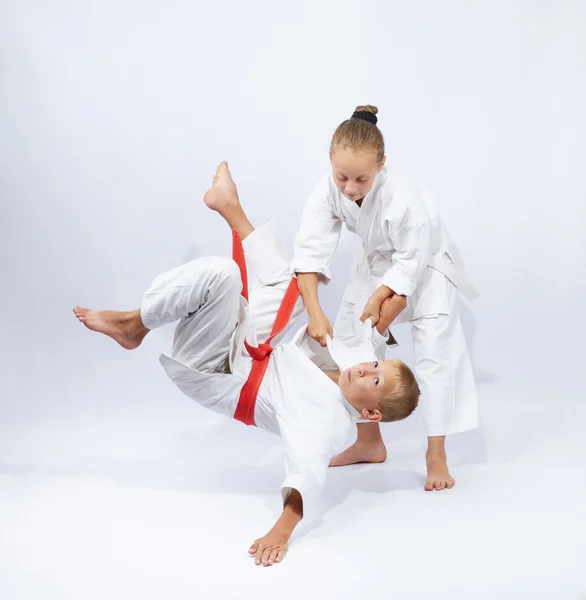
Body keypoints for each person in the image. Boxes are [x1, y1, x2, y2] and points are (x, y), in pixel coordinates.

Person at [73, 162, 420, 567]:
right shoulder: (350, 365)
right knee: (292, 287)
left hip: (218, 373)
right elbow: (365, 334)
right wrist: (391, 298)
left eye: (374, 380)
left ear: (370, 412)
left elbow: (307, 475)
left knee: (222, 274)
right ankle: (230, 208)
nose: (366, 369)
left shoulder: (325, 424)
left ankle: (134, 325)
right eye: (376, 366)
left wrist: (282, 530)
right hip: (243, 344)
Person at [291, 105, 479, 492]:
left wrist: (385, 304)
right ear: (330, 161)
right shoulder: (327, 190)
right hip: (377, 263)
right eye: (342, 176)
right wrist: (315, 312)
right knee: (347, 346)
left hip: (427, 269)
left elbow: (412, 261)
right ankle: (369, 442)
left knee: (433, 357)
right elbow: (309, 252)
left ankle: (436, 453)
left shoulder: (404, 199)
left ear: (381, 164)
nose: (350, 187)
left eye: (361, 178)